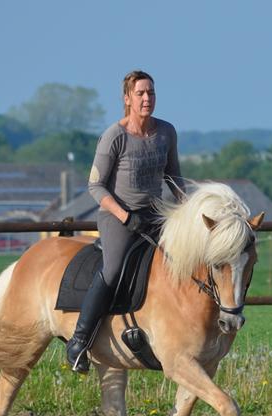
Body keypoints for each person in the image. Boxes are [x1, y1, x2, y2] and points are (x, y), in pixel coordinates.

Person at [65, 69, 184, 373]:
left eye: (151, 93)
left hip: (156, 214)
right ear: (127, 98)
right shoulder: (114, 136)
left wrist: (190, 209)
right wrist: (125, 216)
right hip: (118, 216)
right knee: (114, 269)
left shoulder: (166, 132)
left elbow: (174, 177)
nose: (147, 99)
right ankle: (79, 341)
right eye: (140, 93)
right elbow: (95, 186)